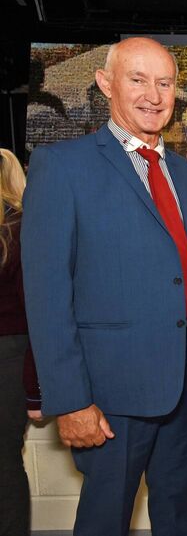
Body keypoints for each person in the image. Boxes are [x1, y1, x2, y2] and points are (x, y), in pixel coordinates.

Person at [21, 37, 187, 536]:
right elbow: (45, 293)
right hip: (110, 393)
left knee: (178, 515)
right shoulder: (62, 167)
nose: (153, 94)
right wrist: (70, 399)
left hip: (184, 382)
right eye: (137, 79)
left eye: (164, 82)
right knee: (106, 520)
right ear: (106, 84)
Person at [0, 148, 42, 536]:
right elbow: (35, 309)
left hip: (11, 353)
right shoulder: (20, 227)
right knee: (6, 461)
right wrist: (37, 390)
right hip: (11, 354)